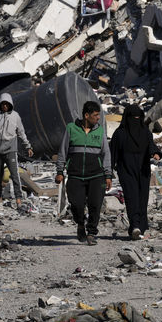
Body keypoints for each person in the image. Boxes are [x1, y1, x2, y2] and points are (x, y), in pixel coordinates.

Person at [55, 101, 111, 246]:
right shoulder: (71, 128)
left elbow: (106, 154)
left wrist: (108, 174)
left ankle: (91, 233)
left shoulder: (100, 131)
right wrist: (60, 171)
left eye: (99, 115)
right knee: (77, 204)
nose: (98, 118)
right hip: (75, 175)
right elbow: (63, 151)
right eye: (95, 115)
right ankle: (80, 224)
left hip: (96, 175)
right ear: (86, 115)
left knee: (95, 205)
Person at [111, 104, 161, 241]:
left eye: (138, 118)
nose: (136, 121)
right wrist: (108, 173)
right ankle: (135, 226)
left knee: (142, 198)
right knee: (131, 197)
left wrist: (155, 153)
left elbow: (151, 145)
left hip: (143, 170)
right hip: (126, 170)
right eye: (133, 118)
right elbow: (112, 154)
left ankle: (143, 227)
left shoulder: (145, 132)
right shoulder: (119, 134)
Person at [0, 93, 33, 207]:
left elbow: (21, 132)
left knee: (14, 174)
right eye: (3, 104)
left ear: (10, 104)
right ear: (0, 105)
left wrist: (28, 146)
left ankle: (18, 198)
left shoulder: (15, 116)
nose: (5, 106)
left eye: (7, 104)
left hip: (10, 149)